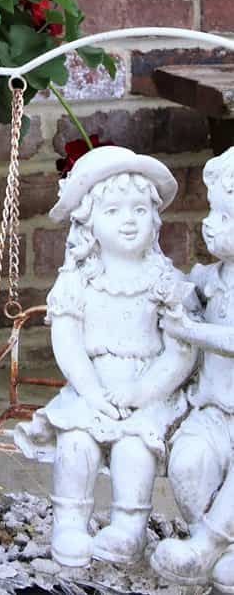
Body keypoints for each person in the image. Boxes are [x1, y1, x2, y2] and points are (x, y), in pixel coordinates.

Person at [14, 146, 197, 568]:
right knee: (77, 442)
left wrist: (141, 392)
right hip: (91, 384)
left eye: (139, 209)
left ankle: (128, 529)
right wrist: (93, 393)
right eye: (113, 210)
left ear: (156, 218)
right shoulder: (79, 280)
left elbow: (180, 352)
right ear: (89, 222)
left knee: (135, 447)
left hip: (149, 391)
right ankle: (70, 523)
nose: (129, 220)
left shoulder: (164, 281)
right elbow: (68, 344)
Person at [151, 147, 234, 592]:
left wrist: (191, 332)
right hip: (214, 410)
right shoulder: (212, 277)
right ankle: (222, 554)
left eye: (226, 216)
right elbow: (188, 298)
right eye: (214, 212)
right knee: (188, 461)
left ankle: (206, 546)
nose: (211, 225)